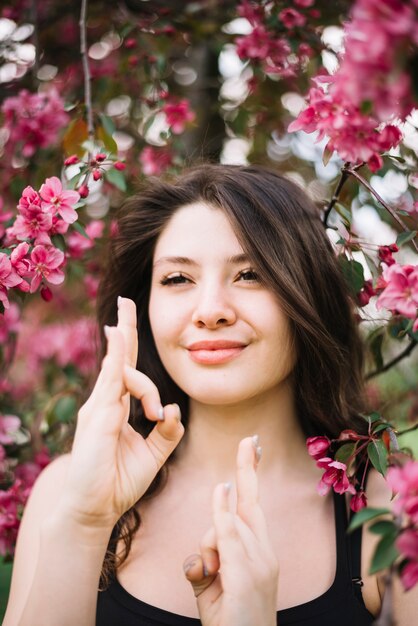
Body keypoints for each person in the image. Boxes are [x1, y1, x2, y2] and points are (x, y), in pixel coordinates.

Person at [3, 164, 416, 626]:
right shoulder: (69, 490)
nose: (211, 311)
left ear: (308, 295)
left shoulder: (394, 511)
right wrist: (82, 526)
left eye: (250, 274)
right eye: (178, 279)